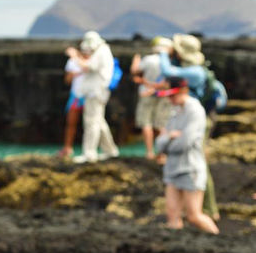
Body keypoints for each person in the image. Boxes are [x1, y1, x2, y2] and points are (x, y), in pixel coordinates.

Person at [156, 34, 220, 221]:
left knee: (198, 163)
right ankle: (197, 210)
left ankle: (208, 209)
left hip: (196, 120)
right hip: (185, 117)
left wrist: (162, 54)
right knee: (196, 161)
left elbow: (168, 71)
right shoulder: (189, 70)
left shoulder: (194, 72)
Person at [154, 77, 219, 234]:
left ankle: (222, 252)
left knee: (194, 216)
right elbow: (159, 144)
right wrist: (169, 137)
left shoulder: (195, 110)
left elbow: (185, 143)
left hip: (191, 169)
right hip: (172, 169)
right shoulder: (176, 111)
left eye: (172, 95)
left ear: (184, 91)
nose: (170, 98)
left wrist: (167, 141)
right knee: (172, 217)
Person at [65, 31, 120, 163]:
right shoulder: (103, 50)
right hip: (96, 91)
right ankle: (110, 150)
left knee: (91, 122)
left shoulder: (102, 51)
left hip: (96, 92)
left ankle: (89, 153)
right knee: (99, 121)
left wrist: (75, 56)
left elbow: (88, 67)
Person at [130, 37, 173, 159]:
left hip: (146, 94)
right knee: (161, 124)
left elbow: (134, 71)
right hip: (164, 95)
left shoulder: (148, 59)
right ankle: (162, 154)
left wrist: (136, 58)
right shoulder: (169, 61)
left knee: (146, 122)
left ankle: (149, 152)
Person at [57, 49, 86, 158]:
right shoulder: (72, 62)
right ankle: (68, 148)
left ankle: (89, 149)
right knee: (71, 122)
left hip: (89, 95)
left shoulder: (93, 59)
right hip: (76, 95)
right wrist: (77, 72)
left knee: (90, 123)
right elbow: (67, 80)